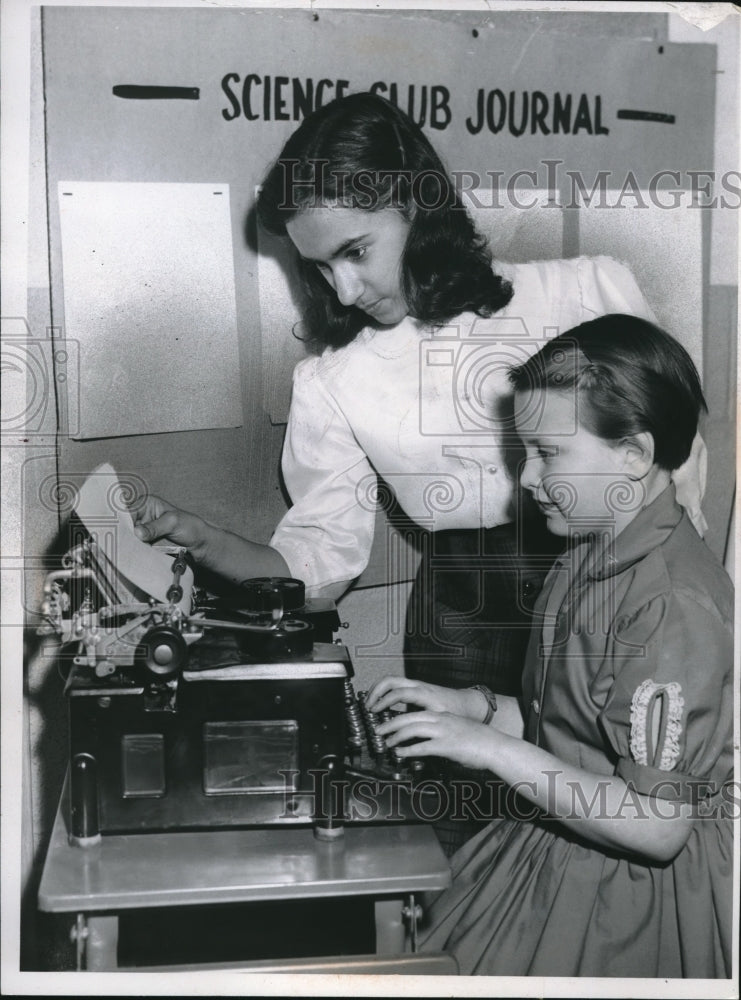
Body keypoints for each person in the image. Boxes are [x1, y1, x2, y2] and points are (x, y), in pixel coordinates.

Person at [132, 92, 706, 854]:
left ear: (414, 204)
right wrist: (206, 541)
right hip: (460, 623)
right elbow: (316, 564)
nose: (342, 290)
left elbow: (678, 483)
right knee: (467, 857)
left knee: (617, 837)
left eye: (354, 251)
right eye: (318, 267)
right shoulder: (334, 381)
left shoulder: (582, 291)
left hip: (611, 600)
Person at [365, 314, 733, 979]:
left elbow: (656, 826)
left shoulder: (671, 602)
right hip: (563, 832)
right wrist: (472, 708)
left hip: (631, 889)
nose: (527, 478)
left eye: (548, 452)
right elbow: (569, 727)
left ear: (633, 455)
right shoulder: (587, 553)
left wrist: (489, 749)